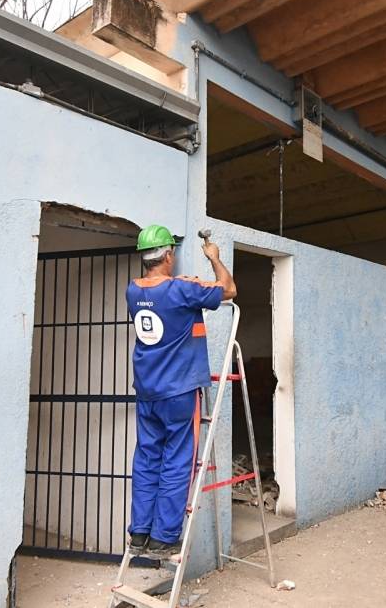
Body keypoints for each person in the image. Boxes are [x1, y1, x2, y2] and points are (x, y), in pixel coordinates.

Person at [125, 224, 236, 558]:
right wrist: (214, 259)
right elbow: (229, 290)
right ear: (168, 254)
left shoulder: (133, 290)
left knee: (146, 459)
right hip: (179, 392)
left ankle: (140, 533)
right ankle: (164, 537)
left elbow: (161, 294)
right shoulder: (180, 291)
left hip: (147, 391)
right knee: (176, 460)